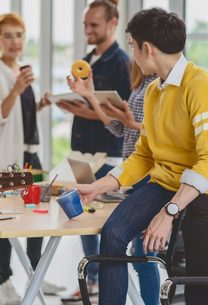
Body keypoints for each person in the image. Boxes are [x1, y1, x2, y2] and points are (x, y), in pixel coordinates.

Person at [72, 8, 208, 305]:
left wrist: (169, 212)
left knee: (200, 288)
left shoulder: (202, 85)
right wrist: (101, 186)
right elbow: (144, 155)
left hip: (207, 191)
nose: (132, 53)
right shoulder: (153, 93)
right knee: (114, 234)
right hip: (164, 185)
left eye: (132, 46)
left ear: (147, 48)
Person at [0, 12, 63, 304]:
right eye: (8, 36)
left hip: (30, 155)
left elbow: (20, 115)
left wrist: (39, 103)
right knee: (9, 218)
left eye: (19, 35)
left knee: (37, 215)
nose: (15, 41)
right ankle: (5, 282)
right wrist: (16, 90)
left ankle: (36, 274)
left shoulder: (19, 71)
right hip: (8, 160)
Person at [56, 0, 131, 302]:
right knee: (83, 218)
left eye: (94, 25)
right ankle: (92, 279)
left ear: (112, 24)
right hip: (83, 151)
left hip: (107, 153)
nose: (87, 30)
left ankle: (97, 280)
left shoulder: (122, 63)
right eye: (85, 24)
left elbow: (124, 116)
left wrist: (82, 108)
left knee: (96, 219)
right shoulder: (89, 59)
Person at [67, 61, 159, 305]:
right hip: (133, 174)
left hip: (149, 176)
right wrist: (90, 96)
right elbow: (118, 128)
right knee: (134, 251)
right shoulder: (140, 85)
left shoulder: (158, 86)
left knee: (144, 254)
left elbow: (159, 134)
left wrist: (131, 124)